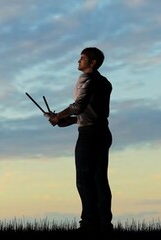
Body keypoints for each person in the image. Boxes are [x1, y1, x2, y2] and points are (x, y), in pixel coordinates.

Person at [47, 47, 113, 232]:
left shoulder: (90, 81)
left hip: (89, 136)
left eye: (82, 58)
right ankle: (104, 223)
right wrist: (66, 121)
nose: (78, 61)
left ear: (92, 63)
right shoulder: (104, 82)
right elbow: (90, 114)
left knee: (84, 179)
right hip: (100, 132)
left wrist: (59, 116)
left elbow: (78, 106)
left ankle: (89, 223)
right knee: (99, 179)